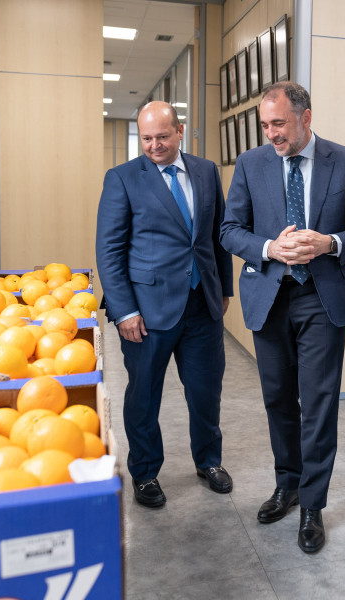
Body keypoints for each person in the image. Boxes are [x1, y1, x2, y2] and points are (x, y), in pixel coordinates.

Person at [220, 82, 345, 553]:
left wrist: (329, 243)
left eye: (280, 124)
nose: (271, 134)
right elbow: (231, 231)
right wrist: (270, 248)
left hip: (322, 297)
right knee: (277, 399)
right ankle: (287, 485)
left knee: (319, 402)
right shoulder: (251, 165)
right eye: (265, 125)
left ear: (306, 118)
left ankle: (313, 504)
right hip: (268, 295)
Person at [96, 101, 234, 508]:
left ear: (180, 131)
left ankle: (208, 461)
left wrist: (223, 287)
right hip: (146, 312)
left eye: (161, 136)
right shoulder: (122, 179)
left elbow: (216, 236)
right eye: (146, 138)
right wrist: (123, 310)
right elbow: (109, 250)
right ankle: (145, 473)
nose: (154, 145)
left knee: (206, 392)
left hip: (201, 305)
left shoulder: (206, 171)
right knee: (143, 396)